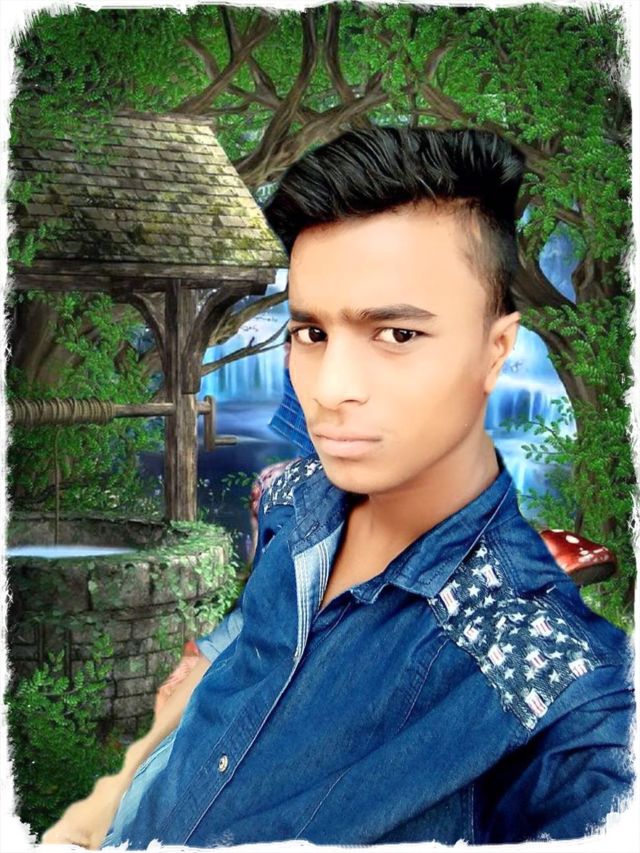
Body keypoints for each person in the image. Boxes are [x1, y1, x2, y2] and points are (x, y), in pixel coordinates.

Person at [42, 126, 634, 849]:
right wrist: (101, 805)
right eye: (312, 333)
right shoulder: (293, 500)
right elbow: (231, 655)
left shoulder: (552, 677)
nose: (330, 389)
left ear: (495, 350)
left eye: (397, 334)